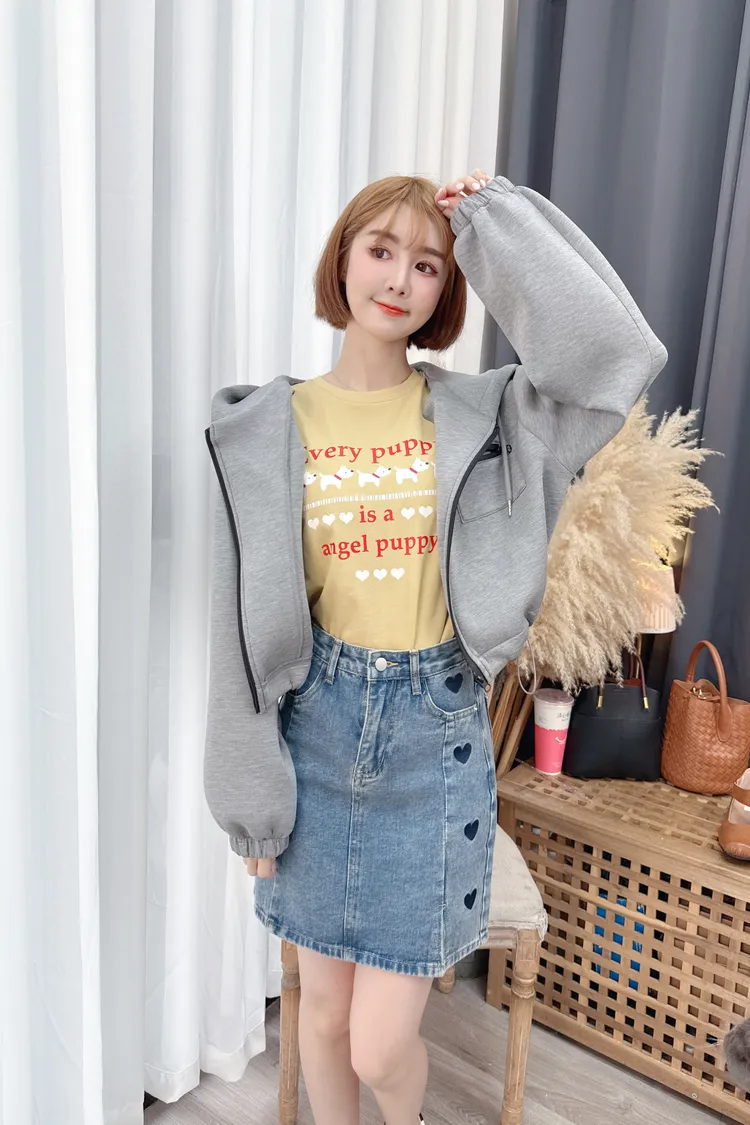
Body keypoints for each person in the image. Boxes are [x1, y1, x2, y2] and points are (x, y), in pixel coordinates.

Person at [202, 167, 668, 1125]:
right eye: (381, 250)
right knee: (323, 1018)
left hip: (435, 740)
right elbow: (235, 631)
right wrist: (251, 801)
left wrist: (496, 223)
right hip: (315, 734)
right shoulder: (261, 427)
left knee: (379, 1043)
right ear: (343, 259)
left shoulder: (495, 419)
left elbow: (615, 357)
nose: (399, 279)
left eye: (427, 263)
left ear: (449, 286)